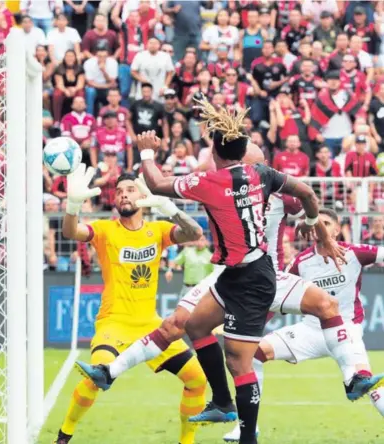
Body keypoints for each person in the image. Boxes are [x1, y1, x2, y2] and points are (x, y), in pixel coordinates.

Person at [80, 97, 346, 444]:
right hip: (236, 273)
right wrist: (317, 227)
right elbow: (308, 193)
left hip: (253, 279)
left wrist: (146, 152)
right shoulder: (262, 174)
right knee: (193, 324)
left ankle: (247, 434)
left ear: (217, 153)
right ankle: (121, 376)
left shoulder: (209, 182)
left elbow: (157, 182)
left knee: (239, 364)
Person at [54, 166, 206, 444]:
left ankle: (187, 442)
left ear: (143, 195)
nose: (123, 195)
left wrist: (169, 208)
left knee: (197, 381)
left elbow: (195, 232)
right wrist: (73, 205)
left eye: (130, 190)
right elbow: (70, 231)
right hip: (114, 323)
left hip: (151, 325)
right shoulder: (104, 230)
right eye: (119, 192)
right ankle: (63, 436)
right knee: (96, 376)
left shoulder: (158, 230)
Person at [223, 208, 384, 441]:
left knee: (368, 385)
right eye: (317, 223)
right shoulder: (302, 261)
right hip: (310, 330)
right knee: (252, 355)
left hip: (345, 330)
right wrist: (254, 325)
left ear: (337, 230)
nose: (321, 227)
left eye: (327, 223)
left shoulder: (354, 253)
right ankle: (248, 426)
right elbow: (277, 296)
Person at [52, 50, 85, 123]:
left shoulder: (79, 68)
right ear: (64, 58)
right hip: (63, 89)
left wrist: (74, 89)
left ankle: (81, 118)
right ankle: (57, 120)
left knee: (80, 93)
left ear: (75, 58)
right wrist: (65, 90)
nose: (69, 58)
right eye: (67, 56)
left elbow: (80, 84)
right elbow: (59, 84)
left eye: (72, 56)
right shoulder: (59, 68)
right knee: (57, 94)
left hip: (75, 89)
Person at [84, 46, 118, 115]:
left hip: (107, 88)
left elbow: (112, 82)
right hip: (94, 88)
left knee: (113, 93)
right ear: (96, 56)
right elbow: (90, 83)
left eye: (104, 56)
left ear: (107, 56)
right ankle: (89, 117)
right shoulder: (89, 63)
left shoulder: (113, 63)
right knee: (90, 91)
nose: (102, 58)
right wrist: (106, 86)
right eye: (100, 56)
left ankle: (113, 116)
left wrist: (103, 71)